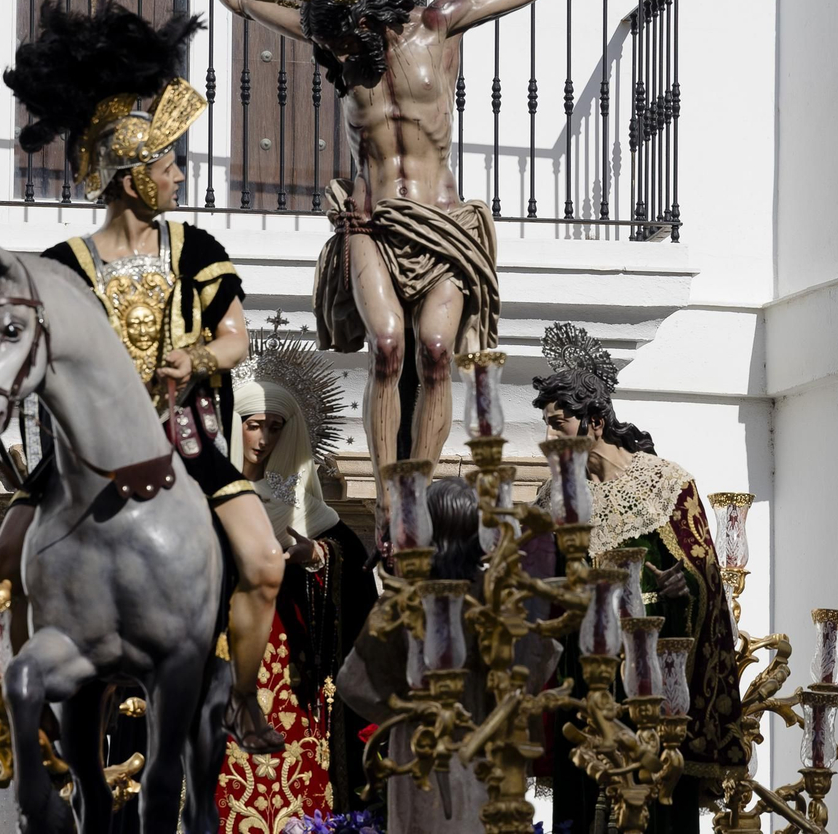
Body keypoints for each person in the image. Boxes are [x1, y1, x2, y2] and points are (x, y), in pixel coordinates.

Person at [132, 0, 670, 547]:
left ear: (371, 20)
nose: (334, 58)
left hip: (441, 226)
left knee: (439, 352)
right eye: (327, 49)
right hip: (371, 224)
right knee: (388, 347)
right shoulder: (335, 38)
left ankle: (419, 481)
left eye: (343, 45)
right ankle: (392, 496)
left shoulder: (441, 23)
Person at [0, 0, 287, 755]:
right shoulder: (65, 267)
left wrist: (199, 359)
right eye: (168, 163)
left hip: (185, 437)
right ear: (131, 178)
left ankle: (245, 698)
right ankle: (17, 699)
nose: (180, 174)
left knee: (262, 560)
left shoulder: (195, 248)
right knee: (1, 555)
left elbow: (236, 337)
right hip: (86, 453)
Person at [532, 323, 743, 832]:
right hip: (585, 683)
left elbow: (706, 581)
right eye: (546, 424)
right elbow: (543, 592)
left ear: (596, 422)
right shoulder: (554, 498)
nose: (549, 437)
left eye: (558, 423)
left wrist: (677, 588)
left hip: (654, 684)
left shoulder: (667, 484)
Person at [337, 477, 565, 834]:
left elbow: (354, 685)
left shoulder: (405, 604)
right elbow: (539, 666)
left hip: (421, 760)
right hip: (490, 759)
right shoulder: (502, 602)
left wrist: (407, 711)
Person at [222, 330, 377, 819]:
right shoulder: (205, 501)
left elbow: (354, 583)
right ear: (234, 427)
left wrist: (315, 556)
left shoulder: (312, 513)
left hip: (293, 665)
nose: (263, 439)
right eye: (253, 425)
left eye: (275, 427)